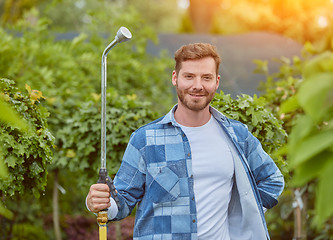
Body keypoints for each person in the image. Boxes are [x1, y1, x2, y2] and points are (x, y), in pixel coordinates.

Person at [86, 43, 284, 240]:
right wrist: (101, 203)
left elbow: (272, 180)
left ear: (216, 82)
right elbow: (123, 202)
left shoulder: (237, 136)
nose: (197, 85)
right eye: (189, 76)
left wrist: (241, 213)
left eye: (206, 77)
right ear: (175, 78)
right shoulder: (145, 140)